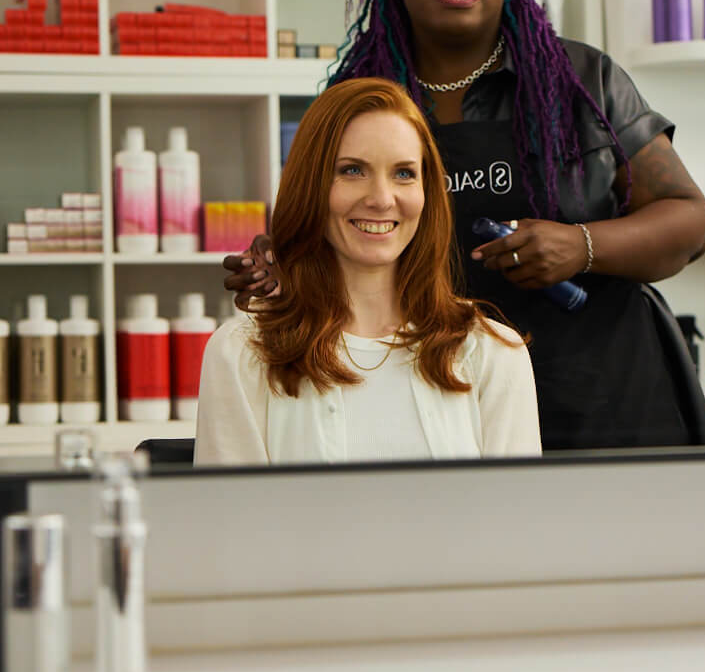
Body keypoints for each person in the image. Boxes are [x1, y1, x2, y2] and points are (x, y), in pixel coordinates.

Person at [225, 0, 705, 450]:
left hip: (607, 392)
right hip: (438, 394)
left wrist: (580, 246)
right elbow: (319, 233)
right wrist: (283, 266)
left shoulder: (583, 81)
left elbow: (688, 221)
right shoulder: (358, 103)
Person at [197, 78, 541, 465]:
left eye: (404, 173)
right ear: (309, 185)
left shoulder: (492, 353)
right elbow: (233, 524)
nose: (381, 198)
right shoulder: (243, 353)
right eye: (352, 170)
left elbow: (514, 522)